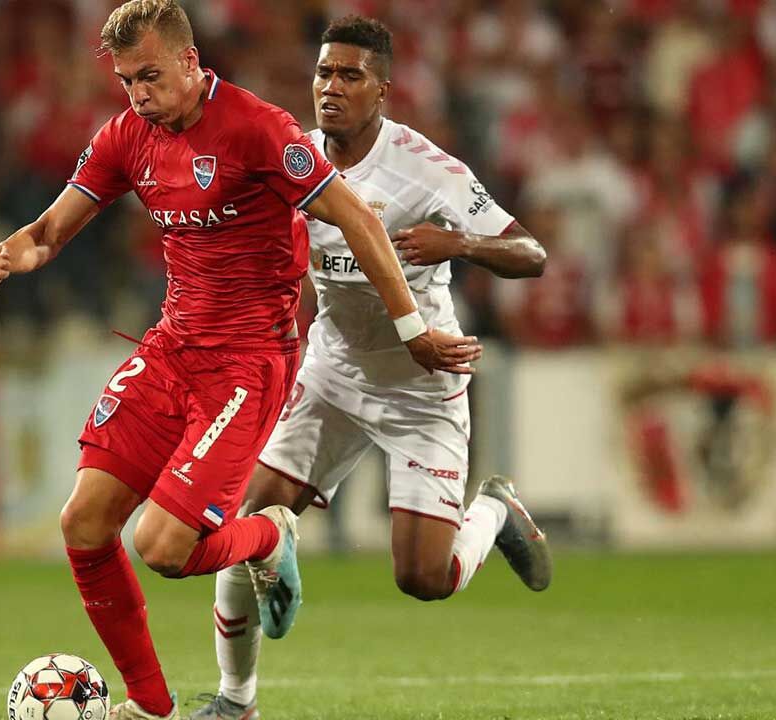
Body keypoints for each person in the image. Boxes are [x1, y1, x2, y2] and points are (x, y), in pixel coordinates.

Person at [0, 3, 479, 719]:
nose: (138, 94)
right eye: (126, 80)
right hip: (171, 349)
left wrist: (412, 327)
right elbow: (50, 231)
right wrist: (14, 250)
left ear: (189, 60)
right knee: (83, 524)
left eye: (150, 76)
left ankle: (270, 534)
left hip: (247, 364)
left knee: (163, 548)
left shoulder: (257, 128)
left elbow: (358, 218)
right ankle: (151, 706)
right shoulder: (127, 135)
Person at [192, 17, 554, 720]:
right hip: (332, 372)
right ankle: (237, 702)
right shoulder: (295, 158)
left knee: (423, 577)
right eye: (324, 73)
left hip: (422, 386)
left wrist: (458, 243)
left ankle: (494, 511)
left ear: (382, 90)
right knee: (244, 525)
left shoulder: (426, 169)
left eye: (350, 75)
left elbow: (531, 254)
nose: (331, 87)